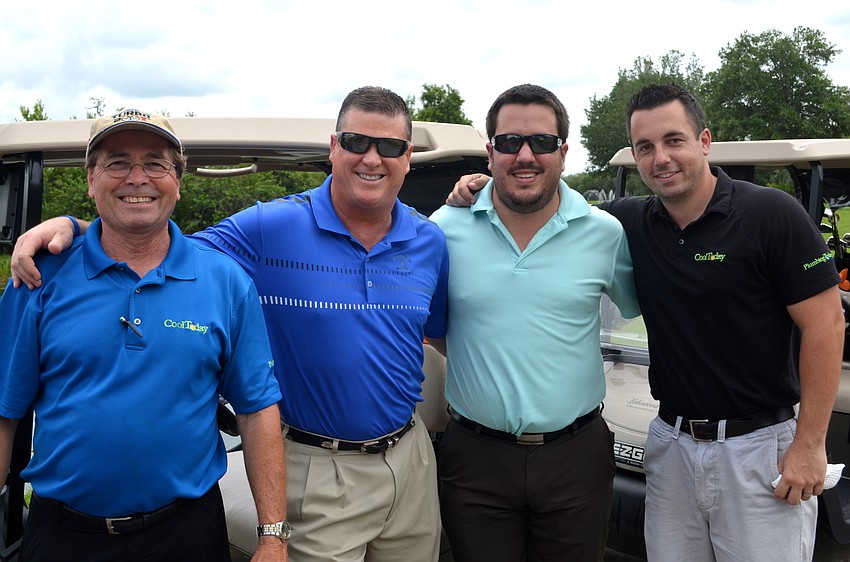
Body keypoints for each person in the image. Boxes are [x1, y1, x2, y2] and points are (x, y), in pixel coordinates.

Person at [11, 87, 447, 562]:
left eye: (389, 146)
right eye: (356, 142)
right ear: (333, 147)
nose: (372, 158)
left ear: (408, 157)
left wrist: (474, 188)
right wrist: (76, 227)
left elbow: (442, 332)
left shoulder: (431, 239)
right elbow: (151, 236)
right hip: (319, 466)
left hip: (410, 459)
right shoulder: (268, 228)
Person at [448, 83, 845, 562]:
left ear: (704, 141)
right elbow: (548, 208)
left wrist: (811, 444)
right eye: (645, 147)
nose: (661, 158)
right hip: (671, 442)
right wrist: (483, 185)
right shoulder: (626, 223)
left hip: (759, 446)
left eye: (674, 140)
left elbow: (827, 325)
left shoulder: (771, 214)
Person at [0, 109, 288, 562]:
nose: (138, 178)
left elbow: (256, 409)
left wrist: (273, 537)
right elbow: (4, 412)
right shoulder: (37, 277)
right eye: (117, 163)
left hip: (188, 533)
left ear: (178, 180)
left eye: (156, 163)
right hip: (63, 536)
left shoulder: (226, 281)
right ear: (90, 179)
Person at [425, 84, 640, 562]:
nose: (525, 155)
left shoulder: (605, 233)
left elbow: (642, 307)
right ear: (490, 153)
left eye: (542, 142)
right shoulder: (443, 228)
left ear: (563, 152)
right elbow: (433, 328)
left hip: (575, 456)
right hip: (475, 458)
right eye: (509, 142)